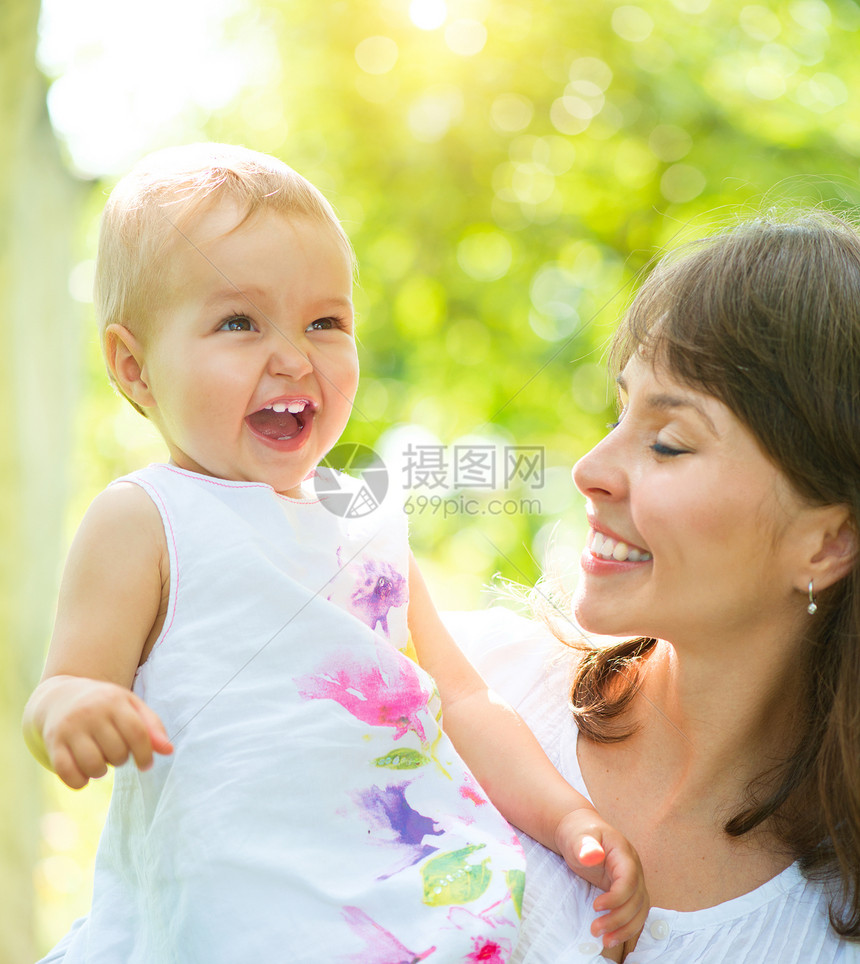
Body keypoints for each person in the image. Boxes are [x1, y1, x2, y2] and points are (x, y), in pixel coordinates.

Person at [22, 143, 647, 963]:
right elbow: (64, 683)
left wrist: (569, 818)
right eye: (239, 323)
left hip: (400, 908)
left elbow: (465, 705)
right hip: (233, 919)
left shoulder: (368, 528)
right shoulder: (149, 520)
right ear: (134, 368)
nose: (294, 356)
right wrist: (72, 710)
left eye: (326, 321)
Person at [453, 211, 860, 963]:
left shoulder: (827, 932)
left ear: (829, 542)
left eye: (669, 442)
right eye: (621, 409)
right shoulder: (462, 688)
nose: (590, 469)